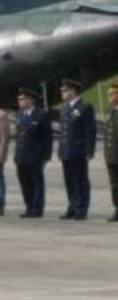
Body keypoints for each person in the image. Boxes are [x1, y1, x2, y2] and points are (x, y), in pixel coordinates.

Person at [58, 79, 97, 220]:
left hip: (78, 150)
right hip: (67, 150)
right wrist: (61, 149)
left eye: (64, 90)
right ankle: (72, 206)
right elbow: (63, 131)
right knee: (69, 181)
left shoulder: (84, 107)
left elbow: (90, 130)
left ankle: (81, 208)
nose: (62, 93)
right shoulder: (65, 107)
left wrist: (89, 150)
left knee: (80, 180)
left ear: (73, 91)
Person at [13, 87, 53, 219]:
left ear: (30, 100)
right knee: (24, 182)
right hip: (22, 155)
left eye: (22, 99)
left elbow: (47, 138)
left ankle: (37, 208)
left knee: (36, 182)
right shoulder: (20, 114)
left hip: (35, 155)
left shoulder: (40, 115)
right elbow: (19, 136)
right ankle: (29, 206)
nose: (20, 101)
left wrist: (46, 155)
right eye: (19, 99)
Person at [105, 84, 118, 222]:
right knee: (115, 185)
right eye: (109, 94)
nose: (110, 97)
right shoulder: (110, 111)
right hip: (112, 156)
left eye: (113, 93)